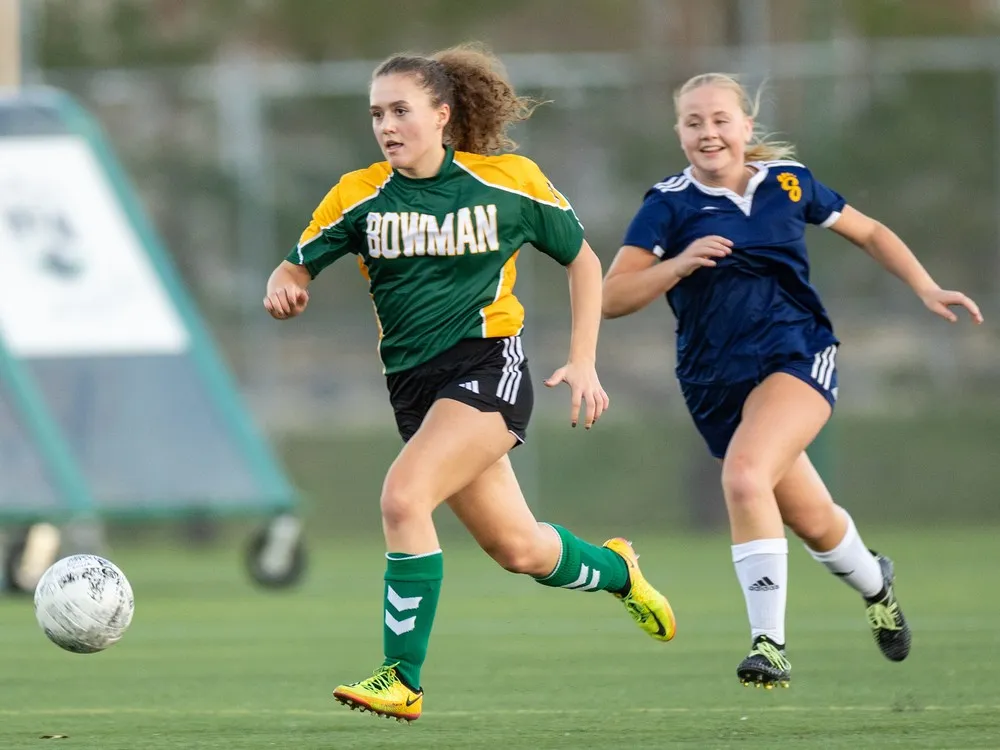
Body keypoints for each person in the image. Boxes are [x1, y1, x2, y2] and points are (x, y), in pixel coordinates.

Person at [263, 42, 677, 722]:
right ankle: (618, 570)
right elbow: (293, 266)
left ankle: (402, 678)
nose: (387, 125)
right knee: (520, 548)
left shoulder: (507, 181)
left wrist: (584, 358)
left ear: (442, 114)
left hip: (487, 368)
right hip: (415, 391)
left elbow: (582, 261)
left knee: (403, 499)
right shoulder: (358, 194)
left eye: (401, 110)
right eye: (377, 114)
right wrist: (284, 288)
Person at [602, 72, 983, 689]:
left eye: (721, 119)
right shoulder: (668, 205)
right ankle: (877, 584)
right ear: (678, 132)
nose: (708, 132)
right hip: (713, 382)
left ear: (746, 126)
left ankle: (769, 644)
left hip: (797, 355)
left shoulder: (788, 183)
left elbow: (870, 232)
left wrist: (926, 286)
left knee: (745, 476)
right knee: (812, 519)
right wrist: (678, 265)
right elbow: (611, 298)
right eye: (694, 122)